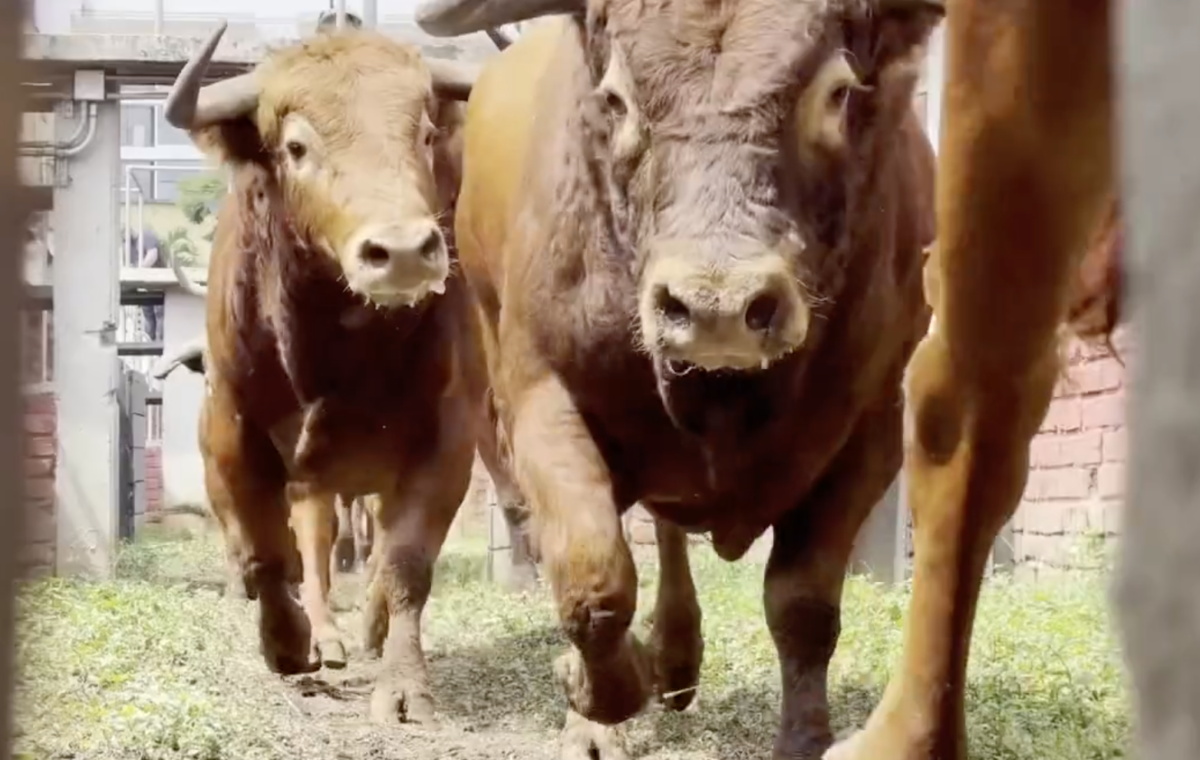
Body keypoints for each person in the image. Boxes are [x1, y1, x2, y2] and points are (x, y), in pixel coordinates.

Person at [128, 228, 165, 342]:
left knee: (159, 314)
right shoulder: (129, 246)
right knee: (148, 316)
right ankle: (151, 345)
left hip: (158, 282)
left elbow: (152, 255)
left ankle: (159, 343)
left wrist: (139, 271)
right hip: (146, 286)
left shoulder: (145, 235)